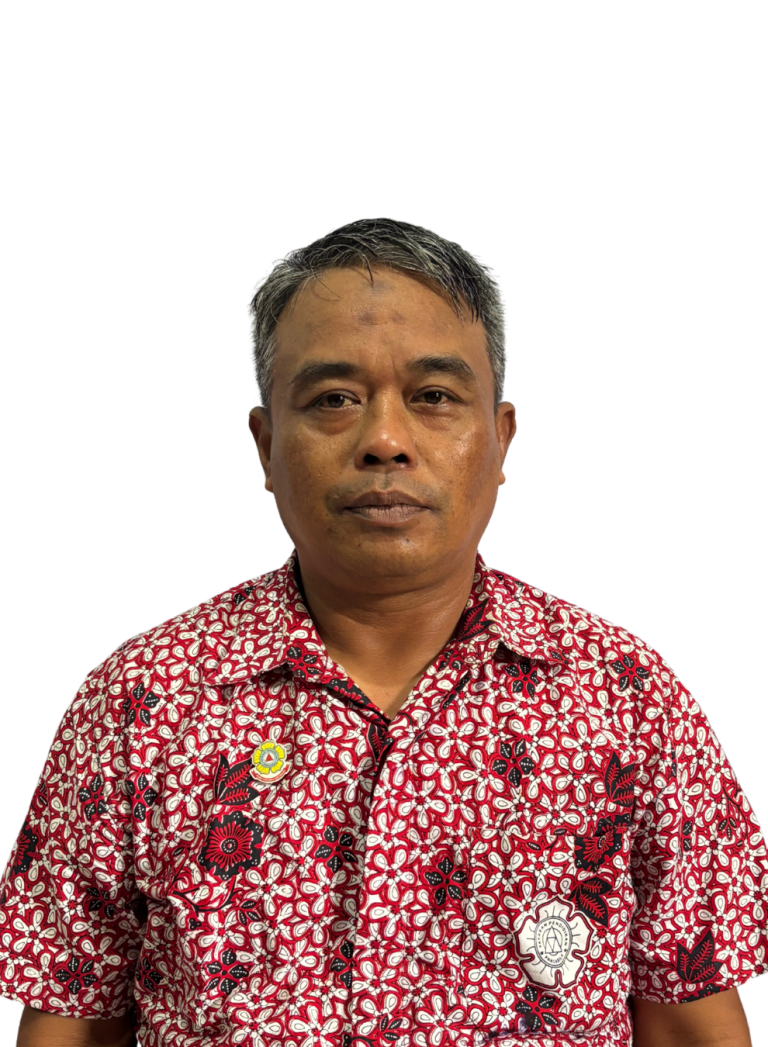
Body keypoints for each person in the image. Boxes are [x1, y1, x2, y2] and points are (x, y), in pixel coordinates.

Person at [1, 218, 765, 1047]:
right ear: (266, 445)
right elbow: (70, 1027)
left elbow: (691, 1027)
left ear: (500, 438)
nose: (386, 442)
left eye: (433, 396)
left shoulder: (626, 701)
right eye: (334, 399)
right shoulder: (142, 703)